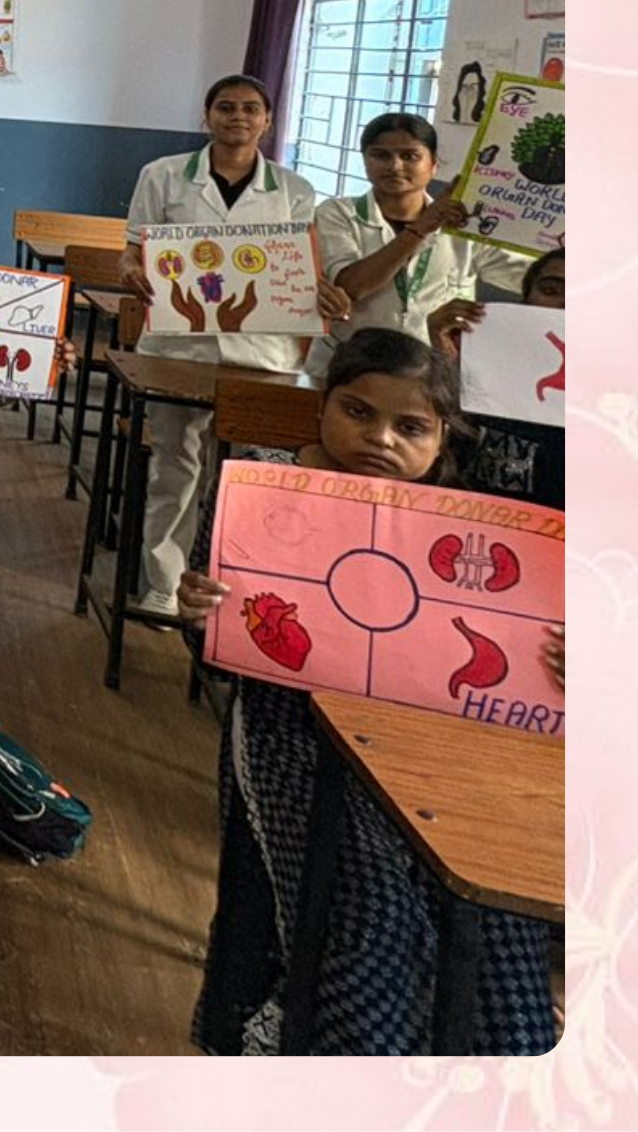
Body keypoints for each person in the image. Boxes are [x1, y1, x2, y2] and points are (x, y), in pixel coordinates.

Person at [177, 328, 562, 1055]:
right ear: (323, 404)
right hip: (293, 733)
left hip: (440, 753)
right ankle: (311, 1055)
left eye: (410, 427)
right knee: (363, 914)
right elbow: (218, 649)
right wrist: (198, 613)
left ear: (442, 438)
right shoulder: (261, 487)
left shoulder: (467, 524)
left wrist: (565, 666)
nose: (379, 438)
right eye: (357, 411)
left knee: (498, 938)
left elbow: (520, 665)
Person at [119, 75, 343, 618]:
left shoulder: (294, 189)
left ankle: (236, 589)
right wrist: (132, 271)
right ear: (207, 116)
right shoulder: (162, 175)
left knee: (252, 474)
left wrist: (320, 291)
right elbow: (132, 251)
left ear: (267, 120)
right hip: (178, 348)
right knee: (175, 466)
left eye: (250, 108)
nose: (237, 117)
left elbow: (299, 266)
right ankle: (165, 581)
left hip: (262, 353)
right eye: (225, 107)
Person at [309, 112, 524, 373]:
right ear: (365, 161)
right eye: (380, 155)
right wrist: (423, 227)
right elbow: (353, 286)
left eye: (410, 156)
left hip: (429, 372)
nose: (395, 166)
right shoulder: (337, 213)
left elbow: (528, 276)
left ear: (434, 164)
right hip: (346, 366)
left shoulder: (465, 227)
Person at [430, 247, 566, 508]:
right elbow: (439, 432)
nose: (564, 304)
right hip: (473, 512)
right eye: (550, 290)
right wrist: (441, 351)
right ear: (526, 299)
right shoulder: (480, 356)